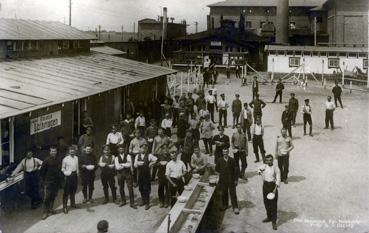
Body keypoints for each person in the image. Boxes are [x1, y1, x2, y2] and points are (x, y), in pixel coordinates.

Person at [258, 154, 281, 230]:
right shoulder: (264, 166)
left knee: (273, 205)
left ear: (273, 160)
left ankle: (274, 222)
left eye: (270, 160)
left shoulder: (276, 168)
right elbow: (258, 169)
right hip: (265, 186)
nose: (269, 162)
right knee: (266, 203)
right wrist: (259, 171)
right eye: (267, 160)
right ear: (265, 160)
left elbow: (278, 178)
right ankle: (269, 217)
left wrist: (275, 189)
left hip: (272, 186)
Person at [216, 148, 240, 215]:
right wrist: (220, 177)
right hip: (223, 180)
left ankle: (235, 207)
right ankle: (225, 205)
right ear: (222, 153)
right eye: (224, 152)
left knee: (233, 194)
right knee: (224, 193)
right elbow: (217, 170)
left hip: (231, 180)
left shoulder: (232, 160)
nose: (225, 153)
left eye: (226, 152)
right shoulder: (219, 160)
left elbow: (236, 171)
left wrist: (236, 180)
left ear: (228, 152)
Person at [40, 146, 61, 220]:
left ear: (56, 152)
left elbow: (59, 171)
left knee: (53, 196)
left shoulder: (58, 160)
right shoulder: (46, 160)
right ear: (50, 152)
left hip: (56, 182)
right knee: (47, 197)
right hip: (48, 182)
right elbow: (42, 172)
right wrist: (44, 182)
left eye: (55, 151)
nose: (53, 153)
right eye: (52, 151)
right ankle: (45, 212)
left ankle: (51, 209)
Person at [134, 143, 157, 210]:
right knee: (141, 188)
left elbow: (156, 159)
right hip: (140, 174)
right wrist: (137, 164)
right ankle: (143, 201)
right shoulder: (137, 156)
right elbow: (135, 165)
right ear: (140, 149)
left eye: (145, 148)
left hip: (147, 174)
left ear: (147, 149)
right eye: (142, 148)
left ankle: (147, 203)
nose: (143, 149)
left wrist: (151, 163)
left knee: (146, 188)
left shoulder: (149, 155)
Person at [115, 144, 136, 208]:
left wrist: (122, 165)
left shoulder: (128, 156)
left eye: (122, 149)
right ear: (118, 150)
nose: (121, 150)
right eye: (120, 149)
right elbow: (117, 167)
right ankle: (123, 201)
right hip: (120, 174)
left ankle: (132, 203)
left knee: (130, 188)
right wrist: (125, 164)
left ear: (124, 149)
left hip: (128, 173)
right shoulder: (116, 158)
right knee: (121, 188)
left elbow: (129, 165)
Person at [61, 146, 79, 214]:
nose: (72, 151)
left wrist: (77, 173)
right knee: (66, 191)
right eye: (70, 150)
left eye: (73, 150)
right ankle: (64, 206)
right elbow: (62, 168)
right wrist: (66, 172)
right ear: (68, 151)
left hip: (74, 175)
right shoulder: (65, 159)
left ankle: (73, 204)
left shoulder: (76, 158)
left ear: (75, 151)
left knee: (73, 190)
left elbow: (77, 167)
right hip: (68, 175)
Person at [156, 144, 171, 208]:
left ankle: (167, 202)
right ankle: (161, 201)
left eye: (166, 148)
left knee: (167, 188)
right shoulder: (159, 157)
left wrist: (168, 163)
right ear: (161, 150)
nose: (165, 150)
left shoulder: (170, 156)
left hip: (168, 174)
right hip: (161, 174)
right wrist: (159, 163)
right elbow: (156, 165)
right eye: (163, 149)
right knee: (161, 188)